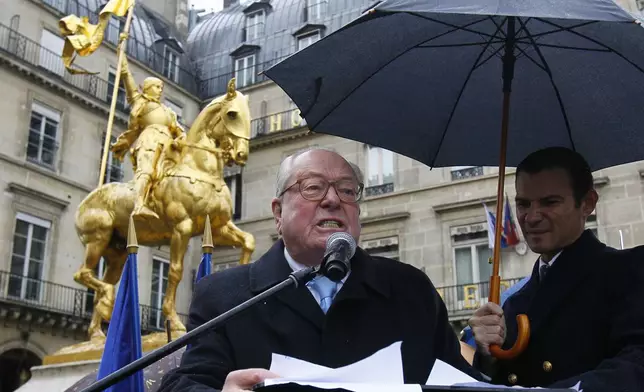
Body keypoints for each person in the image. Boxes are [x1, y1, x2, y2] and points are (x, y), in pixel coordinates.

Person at [158, 147, 479, 391]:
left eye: (347, 190)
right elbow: (188, 381)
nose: (333, 200)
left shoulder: (411, 289)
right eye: (313, 187)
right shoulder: (224, 296)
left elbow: (458, 380)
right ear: (278, 212)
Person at [468, 147, 644, 391]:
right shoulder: (514, 303)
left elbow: (636, 365)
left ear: (587, 203)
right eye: (523, 204)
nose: (531, 217)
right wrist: (489, 356)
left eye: (549, 202)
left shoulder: (629, 272)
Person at [110, 53, 184, 220]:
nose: (160, 91)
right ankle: (139, 205)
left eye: (161, 88)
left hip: (168, 146)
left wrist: (180, 138)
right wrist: (123, 63)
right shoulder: (141, 102)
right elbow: (128, 80)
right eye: (157, 87)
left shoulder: (168, 111)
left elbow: (179, 130)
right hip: (149, 140)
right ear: (148, 87)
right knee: (147, 170)